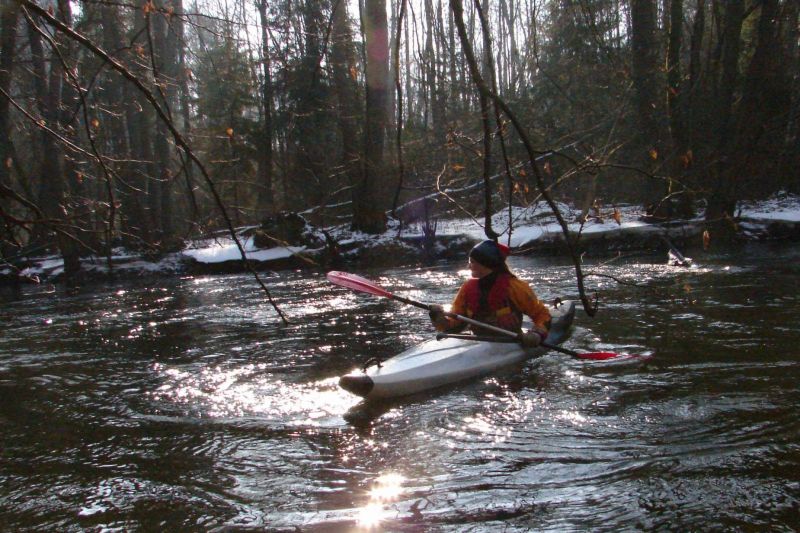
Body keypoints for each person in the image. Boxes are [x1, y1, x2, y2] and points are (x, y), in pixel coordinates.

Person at [429, 239, 551, 348]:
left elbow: (542, 314)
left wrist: (537, 333)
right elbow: (456, 325)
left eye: (472, 262)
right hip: (478, 344)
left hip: (510, 342)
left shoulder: (514, 287)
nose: (469, 266)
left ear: (486, 264)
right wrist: (439, 318)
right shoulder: (467, 288)